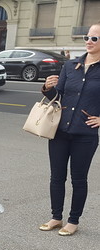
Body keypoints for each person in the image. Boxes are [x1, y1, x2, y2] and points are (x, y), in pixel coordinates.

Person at [39, 23, 100, 236]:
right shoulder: (70, 65)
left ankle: (73, 221)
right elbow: (58, 96)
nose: (89, 42)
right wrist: (48, 87)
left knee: (78, 179)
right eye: (87, 37)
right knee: (56, 177)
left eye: (95, 38)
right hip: (60, 131)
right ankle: (56, 217)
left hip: (85, 135)